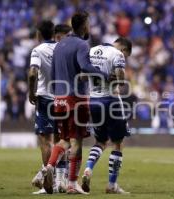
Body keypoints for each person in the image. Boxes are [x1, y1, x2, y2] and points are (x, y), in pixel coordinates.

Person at [42, 11, 107, 194]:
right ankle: (72, 184)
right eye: (89, 23)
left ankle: (48, 167)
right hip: (76, 98)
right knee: (76, 142)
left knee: (63, 140)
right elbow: (85, 66)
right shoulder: (82, 44)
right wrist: (103, 75)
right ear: (84, 25)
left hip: (59, 98)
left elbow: (54, 73)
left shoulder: (59, 45)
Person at [81, 37, 132, 194]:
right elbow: (122, 80)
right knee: (118, 143)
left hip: (94, 101)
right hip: (111, 101)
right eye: (126, 55)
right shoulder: (117, 54)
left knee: (100, 141)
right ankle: (111, 185)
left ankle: (88, 169)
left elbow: (82, 76)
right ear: (124, 49)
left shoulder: (91, 52)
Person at [29, 22, 72, 195]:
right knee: (61, 139)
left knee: (45, 140)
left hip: (45, 98)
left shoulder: (38, 50)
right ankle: (61, 180)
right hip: (63, 98)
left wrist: (31, 93)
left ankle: (49, 178)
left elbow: (33, 73)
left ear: (39, 33)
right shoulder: (62, 49)